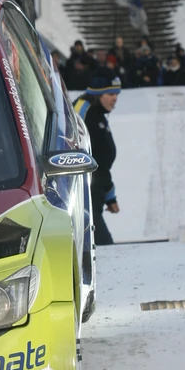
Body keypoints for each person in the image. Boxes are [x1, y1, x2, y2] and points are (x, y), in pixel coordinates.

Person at [74, 70, 120, 247]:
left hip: (96, 189)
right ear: (97, 93)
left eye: (116, 94)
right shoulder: (83, 112)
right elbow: (90, 157)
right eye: (110, 94)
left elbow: (101, 159)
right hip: (85, 192)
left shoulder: (97, 112)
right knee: (103, 246)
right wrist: (108, 192)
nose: (115, 98)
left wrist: (109, 195)